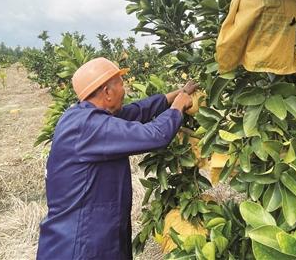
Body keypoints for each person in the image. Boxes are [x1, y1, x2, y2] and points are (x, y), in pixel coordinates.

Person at [36, 57, 196, 260]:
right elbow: (155, 135)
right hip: (80, 245)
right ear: (107, 92)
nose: (125, 90)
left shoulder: (83, 116)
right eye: (121, 84)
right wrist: (178, 108)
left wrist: (172, 97)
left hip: (91, 234)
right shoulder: (89, 127)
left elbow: (136, 112)